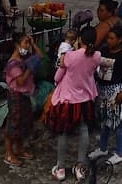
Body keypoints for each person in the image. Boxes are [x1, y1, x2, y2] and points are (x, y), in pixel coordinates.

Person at [44, 26, 99, 181]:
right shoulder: (96, 56)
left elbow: (57, 77)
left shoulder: (70, 56)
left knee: (63, 132)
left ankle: (60, 167)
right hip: (85, 99)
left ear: (80, 39)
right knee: (84, 130)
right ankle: (80, 166)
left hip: (68, 100)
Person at [98, 22, 122, 167]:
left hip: (116, 91)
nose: (109, 41)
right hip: (103, 91)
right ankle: (102, 148)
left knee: (119, 122)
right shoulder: (104, 51)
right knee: (104, 122)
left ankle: (119, 153)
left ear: (119, 40)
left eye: (112, 38)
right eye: (108, 38)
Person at [2, 32, 42, 167]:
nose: (27, 45)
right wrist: (29, 69)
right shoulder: (13, 64)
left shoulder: (24, 59)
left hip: (24, 95)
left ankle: (19, 149)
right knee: (13, 124)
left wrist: (33, 44)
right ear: (17, 45)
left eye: (28, 42)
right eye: (25, 43)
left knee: (23, 123)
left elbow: (40, 56)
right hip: (16, 96)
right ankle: (9, 153)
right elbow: (20, 81)